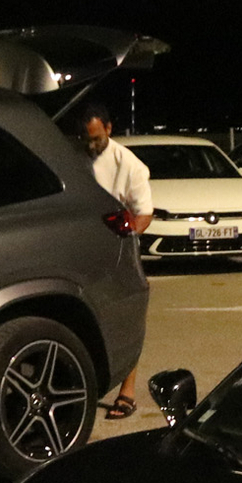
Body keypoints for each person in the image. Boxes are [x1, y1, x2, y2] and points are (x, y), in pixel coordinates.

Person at [78, 104, 151, 417]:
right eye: (86, 139)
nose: (92, 146)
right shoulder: (75, 156)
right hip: (81, 248)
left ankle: (127, 391)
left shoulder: (130, 165)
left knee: (124, 317)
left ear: (108, 128)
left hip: (118, 247)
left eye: (96, 138)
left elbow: (144, 213)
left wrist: (123, 237)